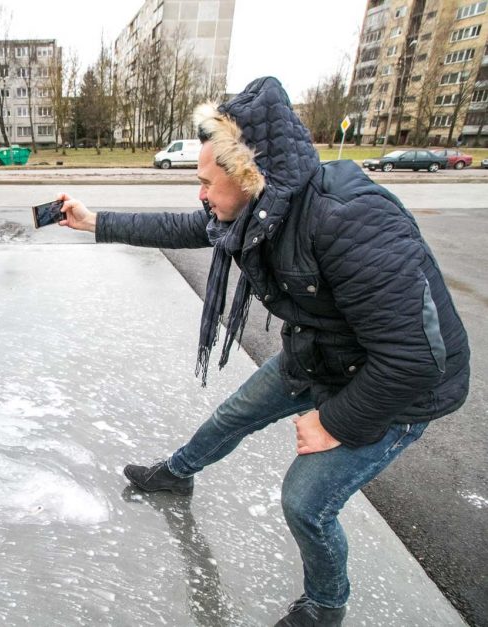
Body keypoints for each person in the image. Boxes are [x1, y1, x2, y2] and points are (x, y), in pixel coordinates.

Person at [58, 76, 470, 627]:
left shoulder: (349, 218)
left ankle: (325, 605)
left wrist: (335, 422)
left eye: (206, 181)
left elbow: (414, 358)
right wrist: (95, 222)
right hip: (321, 354)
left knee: (306, 504)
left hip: (399, 387)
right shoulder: (265, 208)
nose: (200, 194)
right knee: (234, 415)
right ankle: (177, 473)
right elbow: (188, 226)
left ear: (248, 175)